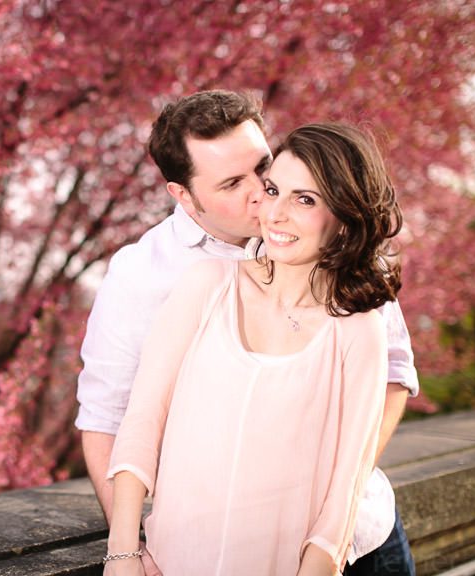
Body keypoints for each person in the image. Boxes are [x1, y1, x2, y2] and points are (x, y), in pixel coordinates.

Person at [75, 91, 418, 575]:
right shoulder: (151, 275)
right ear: (184, 196)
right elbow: (110, 418)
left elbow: (392, 377)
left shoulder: (344, 260)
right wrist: (131, 551)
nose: (262, 195)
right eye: (233, 183)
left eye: (264, 167)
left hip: (358, 537)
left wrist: (325, 516)